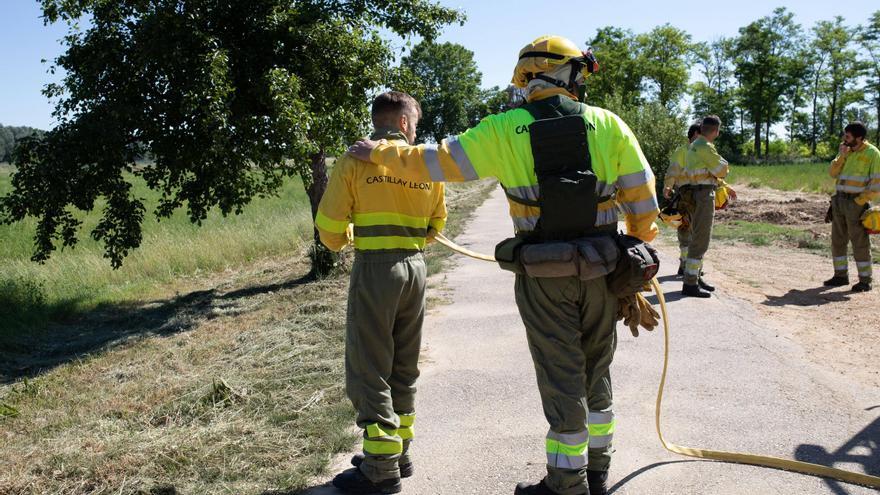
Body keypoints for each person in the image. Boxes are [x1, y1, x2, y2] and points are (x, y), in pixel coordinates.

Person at [348, 35, 659, 495]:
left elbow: (434, 162)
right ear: (564, 75)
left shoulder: (502, 128)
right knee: (597, 369)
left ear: (529, 77)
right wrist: (630, 271)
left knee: (562, 376)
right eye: (577, 74)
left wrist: (378, 151)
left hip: (544, 276)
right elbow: (644, 203)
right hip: (603, 271)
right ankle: (597, 469)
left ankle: (565, 485)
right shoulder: (610, 125)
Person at [315, 91, 447, 494]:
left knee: (370, 368)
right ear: (405, 124)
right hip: (416, 269)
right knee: (404, 365)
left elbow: (330, 230)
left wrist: (348, 235)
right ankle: (399, 452)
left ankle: (379, 469)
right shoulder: (426, 161)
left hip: (376, 270)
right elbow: (437, 224)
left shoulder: (354, 160)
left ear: (380, 121)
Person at [823, 121, 880, 292]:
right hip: (839, 201)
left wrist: (860, 201)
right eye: (844, 135)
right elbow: (832, 173)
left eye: (847, 136)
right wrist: (841, 156)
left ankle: (865, 280)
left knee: (859, 242)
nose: (844, 139)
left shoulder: (873, 154)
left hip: (856, 204)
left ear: (860, 138)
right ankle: (840, 276)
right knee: (838, 240)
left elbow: (877, 183)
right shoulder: (845, 151)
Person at [678, 115, 728, 298]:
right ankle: (690, 283)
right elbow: (722, 169)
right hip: (704, 194)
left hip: (694, 193)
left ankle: (695, 277)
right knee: (701, 239)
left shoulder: (693, 146)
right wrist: (721, 164)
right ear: (716, 131)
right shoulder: (705, 147)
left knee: (696, 236)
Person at [664, 123, 702, 275]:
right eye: (700, 137)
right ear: (693, 136)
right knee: (685, 229)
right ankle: (685, 264)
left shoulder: (705, 153)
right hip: (685, 195)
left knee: (699, 232)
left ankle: (693, 266)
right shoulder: (681, 152)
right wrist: (668, 186)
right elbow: (672, 170)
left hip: (702, 196)